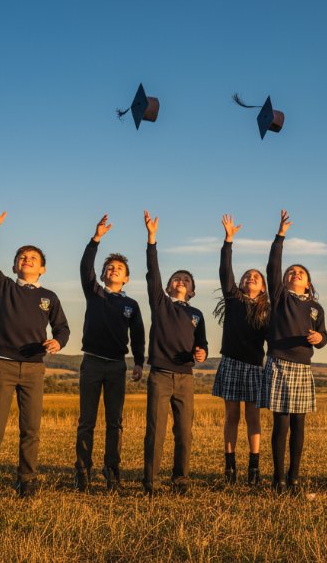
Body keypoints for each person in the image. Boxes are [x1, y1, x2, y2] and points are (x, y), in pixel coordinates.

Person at [0, 200, 70, 501]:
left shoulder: (49, 297)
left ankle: (27, 481)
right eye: (22, 257)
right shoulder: (3, 287)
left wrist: (58, 342)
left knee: (31, 430)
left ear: (42, 268)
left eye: (33, 257)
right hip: (3, 366)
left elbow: (63, 329)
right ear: (15, 265)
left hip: (33, 369)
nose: (26, 259)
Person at [140, 210, 208, 495]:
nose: (180, 282)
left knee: (184, 433)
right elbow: (153, 273)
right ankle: (151, 483)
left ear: (192, 291)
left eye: (186, 280)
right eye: (176, 279)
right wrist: (152, 239)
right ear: (167, 287)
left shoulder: (196, 314)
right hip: (160, 376)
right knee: (155, 431)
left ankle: (180, 481)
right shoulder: (161, 304)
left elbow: (201, 345)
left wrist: (201, 354)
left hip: (185, 378)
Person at [75, 214, 145, 493]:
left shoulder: (131, 305)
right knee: (87, 421)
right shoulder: (94, 292)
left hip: (117, 366)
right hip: (91, 363)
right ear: (103, 274)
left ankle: (112, 472)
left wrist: (139, 362)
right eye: (110, 267)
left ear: (126, 277)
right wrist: (96, 239)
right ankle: (82, 472)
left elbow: (138, 335)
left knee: (115, 423)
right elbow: (84, 267)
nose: (114, 270)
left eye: (119, 268)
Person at [261, 210, 327, 493]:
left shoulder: (315, 308)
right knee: (282, 424)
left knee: (299, 425)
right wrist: (280, 236)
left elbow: (324, 336)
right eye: (291, 271)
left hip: (303, 368)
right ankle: (278, 478)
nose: (293, 273)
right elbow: (272, 268)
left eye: (299, 273)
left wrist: (319, 338)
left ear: (308, 284)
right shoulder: (279, 297)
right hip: (278, 363)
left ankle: (294, 477)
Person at [211, 214, 269, 485]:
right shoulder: (233, 299)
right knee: (232, 416)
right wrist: (228, 241)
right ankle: (230, 467)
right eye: (247, 276)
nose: (250, 278)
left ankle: (254, 468)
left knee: (253, 418)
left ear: (263, 287)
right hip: (232, 363)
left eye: (256, 277)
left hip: (255, 366)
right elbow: (226, 271)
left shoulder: (267, 310)